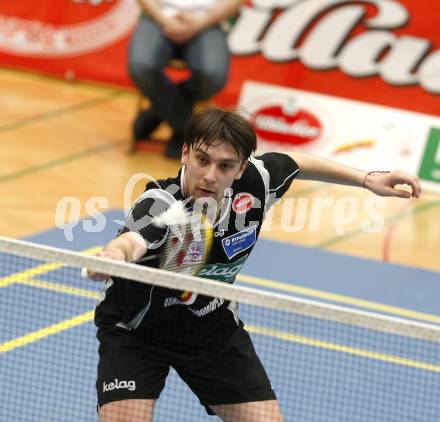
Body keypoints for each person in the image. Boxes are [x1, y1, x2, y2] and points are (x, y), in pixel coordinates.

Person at [89, 107, 421, 421]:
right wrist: (115, 255)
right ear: (185, 153)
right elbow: (133, 240)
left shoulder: (256, 184)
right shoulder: (161, 202)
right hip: (135, 331)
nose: (209, 176)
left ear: (242, 168)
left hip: (210, 329)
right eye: (202, 160)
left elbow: (295, 161)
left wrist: (367, 179)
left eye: (225, 166)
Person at [128, 0, 243, 158]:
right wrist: (165, 20)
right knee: (141, 66)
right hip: (157, 16)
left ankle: (154, 115)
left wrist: (199, 23)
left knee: (213, 74)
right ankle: (187, 131)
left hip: (209, 21)